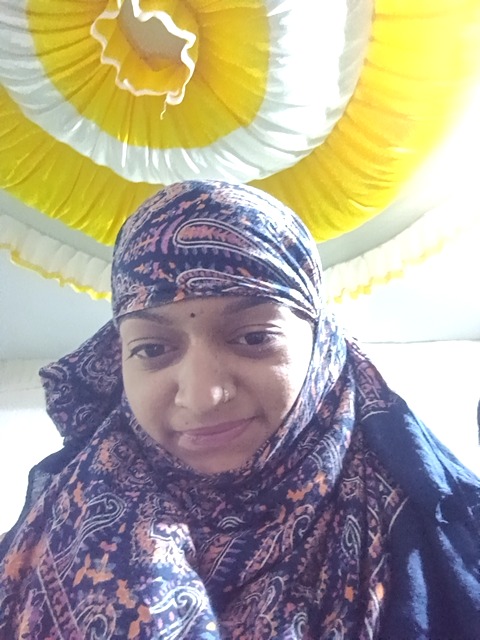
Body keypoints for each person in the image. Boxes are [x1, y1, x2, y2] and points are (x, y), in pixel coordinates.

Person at [0, 180, 479, 639]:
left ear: (319, 344)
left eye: (253, 338)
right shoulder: (65, 515)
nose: (202, 396)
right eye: (152, 348)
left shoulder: (434, 532)